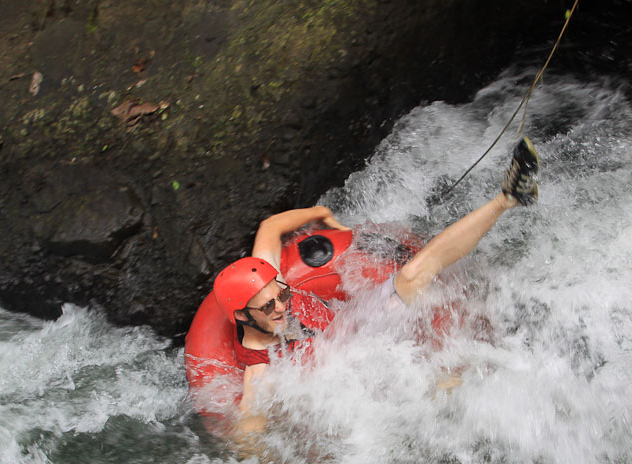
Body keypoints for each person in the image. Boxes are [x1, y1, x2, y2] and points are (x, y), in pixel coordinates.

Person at [212, 137, 541, 438]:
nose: (282, 305)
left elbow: (270, 226)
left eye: (282, 295)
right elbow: (249, 425)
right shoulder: (259, 367)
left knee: (412, 274)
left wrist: (323, 214)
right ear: (242, 315)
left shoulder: (268, 279)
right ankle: (502, 383)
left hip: (353, 323)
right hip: (348, 371)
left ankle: (508, 197)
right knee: (438, 384)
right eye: (269, 307)